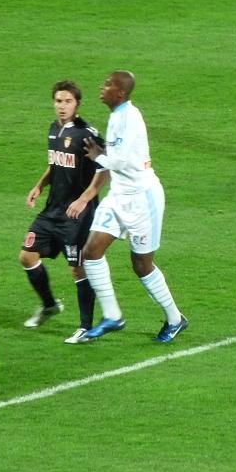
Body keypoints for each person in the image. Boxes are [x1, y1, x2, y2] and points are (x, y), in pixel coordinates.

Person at [66, 70, 188, 343]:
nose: (102, 86)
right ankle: (112, 316)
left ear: (120, 93)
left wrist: (98, 155)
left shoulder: (130, 118)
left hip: (143, 199)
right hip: (119, 196)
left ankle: (175, 319)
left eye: (108, 84)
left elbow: (119, 162)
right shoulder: (116, 116)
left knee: (142, 264)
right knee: (91, 251)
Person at [20, 80, 106, 345]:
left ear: (77, 104)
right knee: (27, 255)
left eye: (68, 101)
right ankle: (49, 305)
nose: (62, 106)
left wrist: (83, 200)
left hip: (77, 215)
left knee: (78, 268)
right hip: (53, 210)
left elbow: (105, 170)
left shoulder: (86, 134)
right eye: (58, 101)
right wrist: (40, 185)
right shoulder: (53, 129)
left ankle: (85, 328)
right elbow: (55, 164)